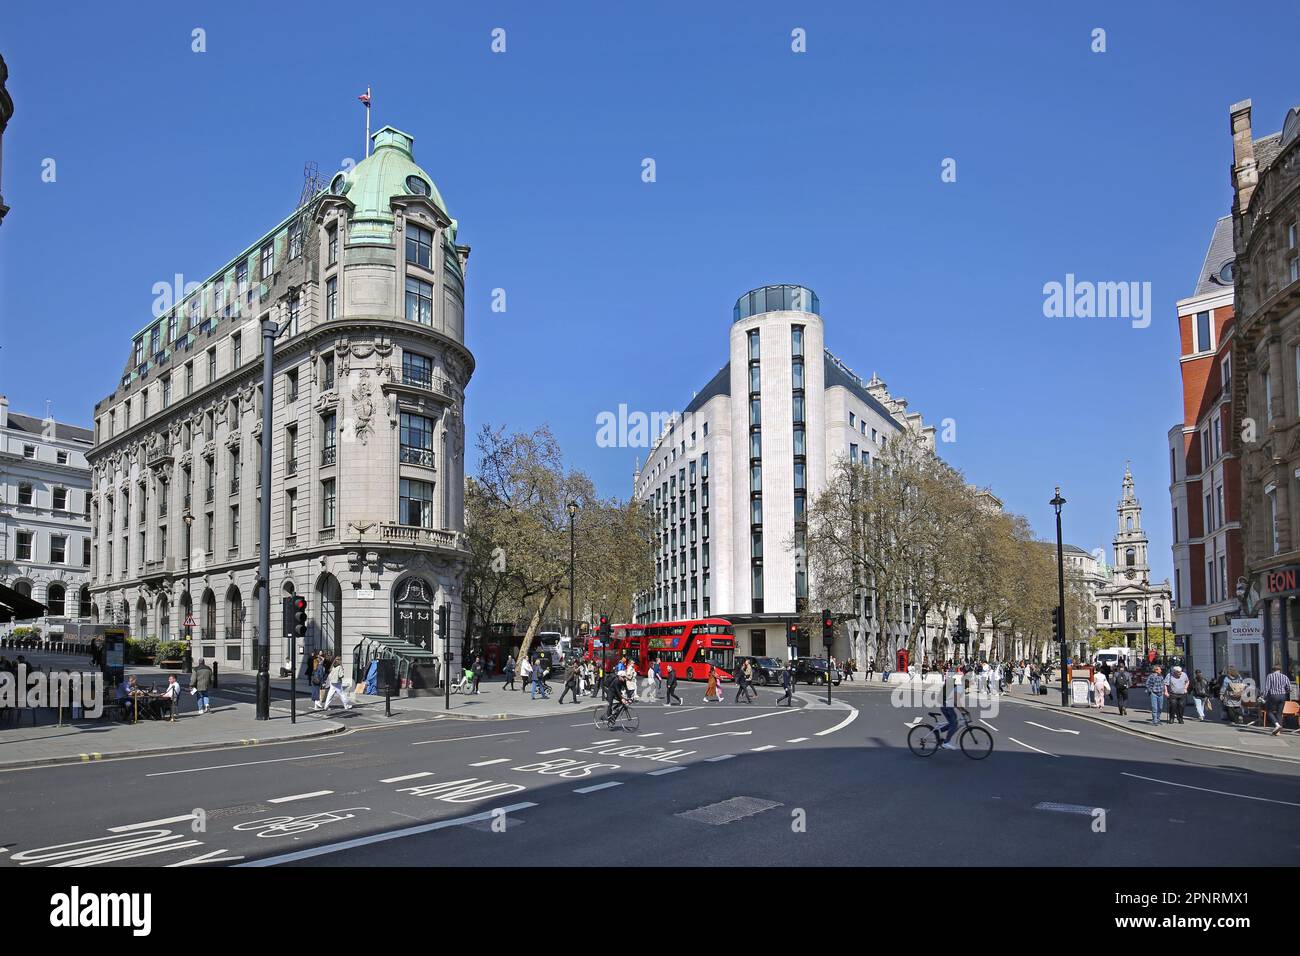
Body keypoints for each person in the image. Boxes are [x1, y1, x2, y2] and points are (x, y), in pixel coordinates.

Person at [1261, 663, 1294, 736]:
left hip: (1273, 696)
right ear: (1280, 670)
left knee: (1269, 711)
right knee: (1279, 713)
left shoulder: (1270, 676)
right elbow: (1289, 689)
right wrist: (1284, 692)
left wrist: (1263, 696)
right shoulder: (1285, 677)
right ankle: (1278, 732)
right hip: (1282, 696)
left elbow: (1267, 688)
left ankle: (1277, 725)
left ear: (1273, 670)